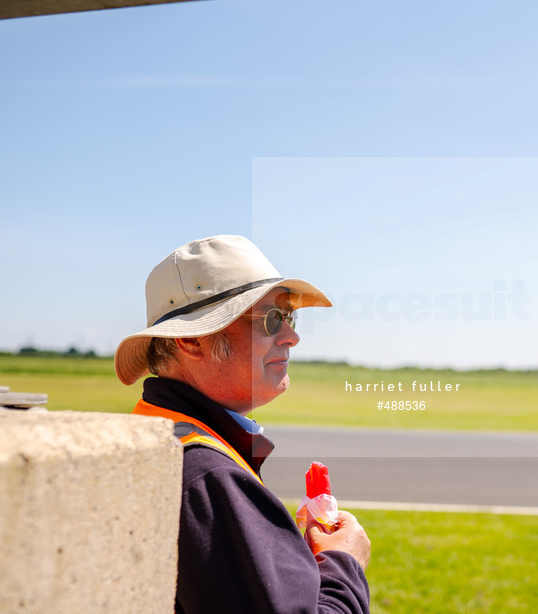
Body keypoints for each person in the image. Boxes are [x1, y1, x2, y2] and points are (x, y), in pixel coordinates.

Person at [114, 235, 371, 614]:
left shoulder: (157, 433)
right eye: (270, 320)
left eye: (289, 316)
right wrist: (344, 563)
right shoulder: (207, 476)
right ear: (193, 340)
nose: (292, 337)